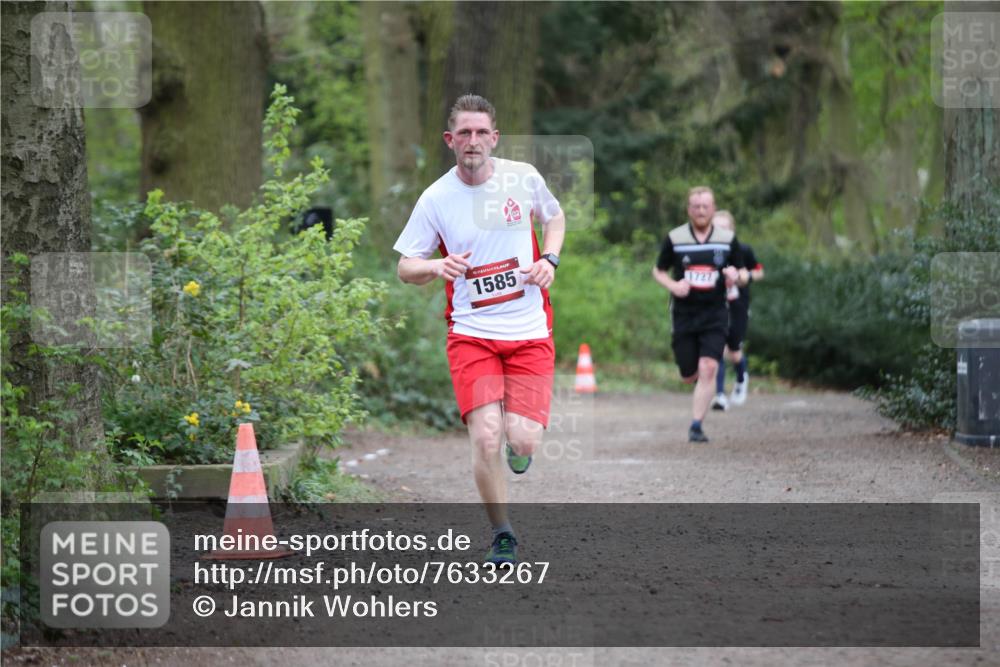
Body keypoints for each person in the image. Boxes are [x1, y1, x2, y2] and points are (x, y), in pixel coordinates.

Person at [394, 94, 566, 565]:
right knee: (487, 437)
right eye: (464, 133)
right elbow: (406, 267)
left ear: (495, 138)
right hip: (471, 334)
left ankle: (520, 446)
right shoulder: (436, 198)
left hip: (529, 331)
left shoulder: (522, 178)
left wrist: (550, 259)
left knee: (522, 439)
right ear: (450, 140)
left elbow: (554, 217)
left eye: (481, 132)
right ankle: (502, 533)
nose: (473, 140)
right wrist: (436, 266)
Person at [652, 187, 748, 443]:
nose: (701, 211)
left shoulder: (727, 239)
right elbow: (658, 270)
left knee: (709, 366)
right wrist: (673, 286)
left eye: (706, 206)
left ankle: (696, 425)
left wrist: (736, 275)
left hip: (715, 313)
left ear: (713, 208)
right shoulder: (676, 238)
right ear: (689, 210)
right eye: (696, 206)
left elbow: (743, 272)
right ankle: (693, 380)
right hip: (684, 314)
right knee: (688, 375)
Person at [710, 210, 764, 410]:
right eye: (716, 228)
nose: (721, 232)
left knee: (734, 351)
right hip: (714, 306)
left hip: (737, 306)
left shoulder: (743, 250)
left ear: (732, 230)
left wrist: (745, 276)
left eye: (724, 228)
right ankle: (719, 396)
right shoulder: (706, 251)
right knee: (716, 348)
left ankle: (741, 378)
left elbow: (759, 271)